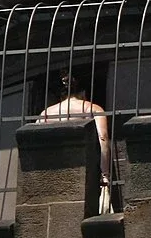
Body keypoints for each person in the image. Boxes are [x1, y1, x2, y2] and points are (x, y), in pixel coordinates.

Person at [38, 72, 113, 211]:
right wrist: (105, 175)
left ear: (60, 95)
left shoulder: (46, 114)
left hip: (53, 174)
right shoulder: (92, 109)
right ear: (84, 92)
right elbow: (102, 138)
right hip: (84, 173)